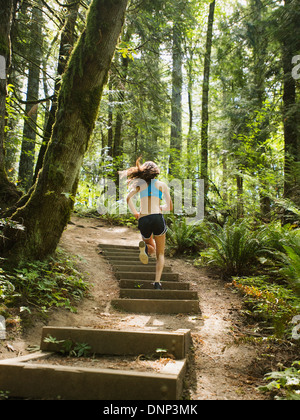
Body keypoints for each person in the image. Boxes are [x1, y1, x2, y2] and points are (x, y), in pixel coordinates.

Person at [125, 158, 173, 290]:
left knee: (149, 245)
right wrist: (161, 207)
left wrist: (135, 213)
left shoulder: (140, 185)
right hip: (157, 217)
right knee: (160, 253)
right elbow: (170, 207)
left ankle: (145, 249)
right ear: (156, 172)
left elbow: (128, 198)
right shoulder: (162, 185)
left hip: (144, 218)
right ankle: (157, 283)